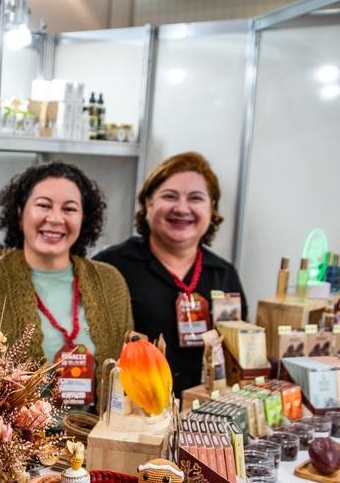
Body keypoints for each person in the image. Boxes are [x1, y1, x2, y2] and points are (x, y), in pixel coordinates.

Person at [0, 161, 132, 407]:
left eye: (70, 209)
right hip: (16, 444)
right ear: (20, 213)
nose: (55, 218)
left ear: (84, 218)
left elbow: (126, 376)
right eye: (43, 205)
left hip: (101, 440)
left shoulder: (110, 283)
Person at [95, 151, 247, 397]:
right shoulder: (111, 267)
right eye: (169, 196)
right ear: (148, 204)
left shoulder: (224, 274)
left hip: (204, 416)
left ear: (212, 209)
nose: (182, 208)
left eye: (196, 198)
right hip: (130, 418)